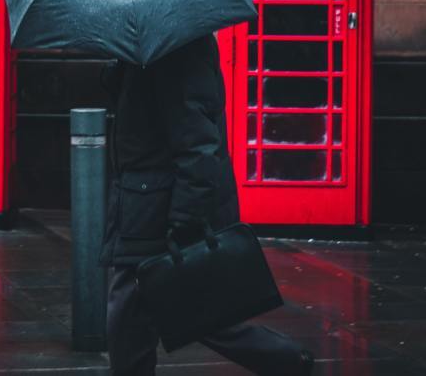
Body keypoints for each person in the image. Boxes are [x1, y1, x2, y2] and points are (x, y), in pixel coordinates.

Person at [99, 34, 314, 375]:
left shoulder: (176, 48)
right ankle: (287, 361)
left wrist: (184, 221)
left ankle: (287, 360)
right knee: (192, 313)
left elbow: (199, 146)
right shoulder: (147, 47)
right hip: (144, 203)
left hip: (159, 209)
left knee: (131, 316)